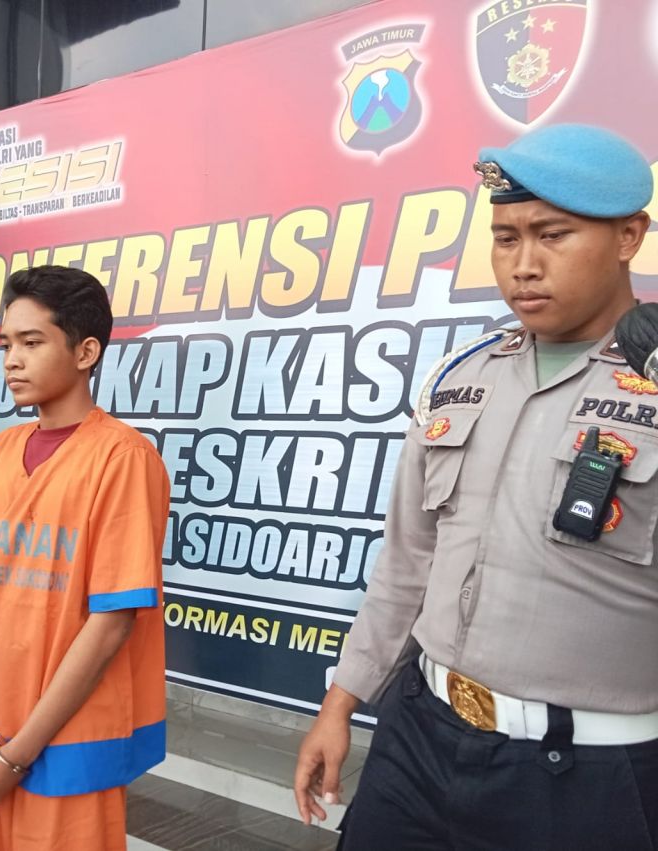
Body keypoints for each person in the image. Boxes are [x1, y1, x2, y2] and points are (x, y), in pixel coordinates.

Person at [294, 123, 658, 850]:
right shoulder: (462, 377)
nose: (523, 266)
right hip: (419, 738)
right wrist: (339, 703)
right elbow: (407, 563)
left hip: (588, 777)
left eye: (552, 236)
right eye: (505, 238)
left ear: (628, 237)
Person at [0, 265, 170, 851]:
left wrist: (16, 756)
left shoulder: (122, 458)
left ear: (86, 352)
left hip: (63, 740)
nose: (11, 361)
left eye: (32, 343)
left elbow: (111, 623)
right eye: (6, 345)